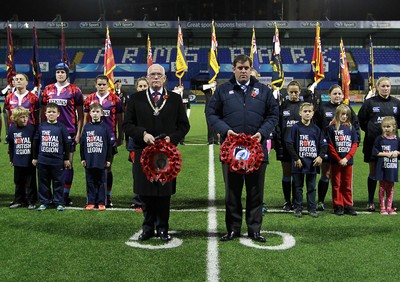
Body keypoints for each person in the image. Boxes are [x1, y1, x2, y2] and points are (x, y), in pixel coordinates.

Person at [206, 54, 278, 243]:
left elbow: (273, 115)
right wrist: (225, 131)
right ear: (234, 69)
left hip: (257, 151)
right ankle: (233, 229)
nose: (243, 71)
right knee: (232, 193)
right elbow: (211, 114)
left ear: (251, 69)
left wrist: (262, 133)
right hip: (231, 152)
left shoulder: (263, 91)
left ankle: (254, 230)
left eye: (247, 68)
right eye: (240, 68)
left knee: (256, 192)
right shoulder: (222, 90)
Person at [123, 64, 190, 242]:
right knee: (145, 192)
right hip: (143, 152)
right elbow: (127, 125)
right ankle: (147, 228)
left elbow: (184, 126)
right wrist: (142, 135)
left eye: (159, 75)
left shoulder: (175, 99)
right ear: (147, 77)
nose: (155, 78)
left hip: (166, 155)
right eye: (152, 74)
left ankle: (162, 228)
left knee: (163, 192)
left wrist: (171, 139)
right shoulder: (136, 98)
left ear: (164, 78)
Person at [41, 63, 84, 206]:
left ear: (67, 73)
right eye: (58, 71)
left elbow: (81, 114)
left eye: (62, 72)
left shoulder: (75, 90)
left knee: (67, 164)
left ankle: (65, 196)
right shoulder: (47, 89)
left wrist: (78, 133)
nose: (60, 74)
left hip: (69, 132)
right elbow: (42, 112)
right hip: (50, 132)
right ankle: (48, 196)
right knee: (48, 165)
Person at [314, 84, 360, 211]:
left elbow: (355, 126)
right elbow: (316, 126)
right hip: (327, 146)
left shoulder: (348, 108)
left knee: (343, 178)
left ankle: (344, 203)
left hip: (343, 148)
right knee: (326, 174)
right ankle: (321, 201)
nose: (337, 96)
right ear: (330, 95)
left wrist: (357, 141)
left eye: (339, 93)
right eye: (335, 94)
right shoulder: (323, 108)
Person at [358, 77, 400, 211]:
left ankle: (389, 202)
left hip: (392, 146)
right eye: (383, 86)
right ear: (377, 87)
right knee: (373, 173)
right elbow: (361, 120)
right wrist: (372, 132)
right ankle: (370, 201)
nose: (386, 88)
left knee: (389, 174)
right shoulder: (369, 103)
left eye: (388, 86)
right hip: (373, 143)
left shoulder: (396, 103)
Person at [84, 75, 123, 208]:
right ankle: (92, 198)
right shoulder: (89, 99)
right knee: (92, 169)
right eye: (99, 84)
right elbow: (85, 118)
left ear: (108, 85)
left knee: (107, 168)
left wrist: (120, 136)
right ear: (95, 85)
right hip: (92, 139)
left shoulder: (115, 99)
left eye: (103, 84)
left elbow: (120, 119)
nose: (101, 87)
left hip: (109, 139)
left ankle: (107, 196)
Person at [286, 102, 327, 218]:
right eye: (305, 111)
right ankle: (298, 208)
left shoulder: (316, 129)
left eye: (309, 111)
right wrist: (296, 158)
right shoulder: (296, 128)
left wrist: (320, 157)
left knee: (311, 188)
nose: (307, 113)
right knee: (298, 187)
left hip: (312, 164)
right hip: (299, 163)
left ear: (313, 113)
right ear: (300, 113)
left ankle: (312, 208)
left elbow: (324, 145)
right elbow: (289, 144)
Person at [32, 103, 71, 211]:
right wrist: (35, 158)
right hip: (43, 160)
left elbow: (67, 143)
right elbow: (35, 142)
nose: (51, 114)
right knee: (43, 182)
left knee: (58, 182)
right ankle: (44, 201)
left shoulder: (62, 127)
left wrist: (66, 159)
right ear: (45, 113)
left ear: (58, 114)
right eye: (49, 112)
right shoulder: (41, 126)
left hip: (57, 160)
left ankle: (58, 202)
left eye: (53, 112)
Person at [275, 81, 307, 211]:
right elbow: (277, 127)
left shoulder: (304, 107)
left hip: (301, 148)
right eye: (291, 92)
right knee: (287, 174)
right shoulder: (282, 107)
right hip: (285, 147)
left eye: (296, 92)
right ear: (287, 93)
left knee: (298, 176)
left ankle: (297, 201)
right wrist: (279, 145)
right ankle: (287, 201)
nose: (294, 94)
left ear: (300, 92)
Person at [326, 104, 359, 216]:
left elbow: (355, 144)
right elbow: (330, 145)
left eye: (346, 114)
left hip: (348, 162)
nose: (344, 116)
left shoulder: (351, 128)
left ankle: (348, 205)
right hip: (336, 162)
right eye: (342, 114)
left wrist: (347, 158)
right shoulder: (332, 128)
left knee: (347, 183)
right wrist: (339, 158)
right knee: (336, 184)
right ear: (337, 114)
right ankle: (338, 205)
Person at [80, 103, 113, 211]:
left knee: (101, 181)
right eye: (93, 112)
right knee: (90, 181)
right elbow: (82, 144)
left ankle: (101, 202)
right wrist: (83, 158)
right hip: (89, 160)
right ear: (90, 113)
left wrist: (108, 159)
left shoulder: (105, 127)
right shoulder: (87, 127)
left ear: (102, 113)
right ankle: (91, 201)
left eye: (97, 112)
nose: (95, 114)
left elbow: (109, 145)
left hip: (101, 160)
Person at [7, 107, 37, 209]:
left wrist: (35, 158)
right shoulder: (12, 129)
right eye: (21, 117)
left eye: (26, 117)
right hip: (18, 160)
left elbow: (35, 145)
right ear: (15, 118)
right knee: (18, 181)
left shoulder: (32, 128)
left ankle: (30, 201)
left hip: (29, 161)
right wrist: (11, 159)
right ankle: (19, 200)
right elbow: (11, 146)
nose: (24, 119)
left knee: (30, 182)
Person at [128, 77, 149, 212]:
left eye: (144, 86)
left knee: (150, 171)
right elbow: (128, 124)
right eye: (140, 86)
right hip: (135, 143)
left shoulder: (154, 102)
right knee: (137, 173)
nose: (142, 88)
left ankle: (148, 199)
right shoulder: (132, 102)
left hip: (150, 143)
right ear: (136, 88)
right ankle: (138, 201)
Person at [372, 116, 400, 215]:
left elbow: (399, 151)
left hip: (392, 168)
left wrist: (397, 152)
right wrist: (386, 154)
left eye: (388, 126)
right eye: (384, 127)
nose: (386, 129)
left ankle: (389, 207)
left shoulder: (397, 139)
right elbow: (375, 152)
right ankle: (382, 207)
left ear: (394, 127)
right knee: (382, 188)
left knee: (391, 187)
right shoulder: (380, 139)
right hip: (382, 167)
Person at [203, 80, 219, 145]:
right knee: (209, 126)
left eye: (214, 82)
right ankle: (210, 140)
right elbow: (201, 87)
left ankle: (216, 140)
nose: (213, 83)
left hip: (217, 110)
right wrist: (210, 86)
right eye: (212, 82)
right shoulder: (207, 90)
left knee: (216, 126)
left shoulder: (218, 90)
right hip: (208, 110)